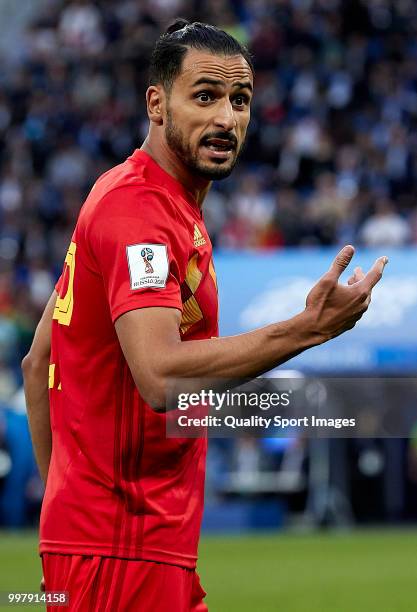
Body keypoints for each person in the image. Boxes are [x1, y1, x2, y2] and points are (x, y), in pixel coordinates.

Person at [22, 19, 387, 612]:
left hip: (122, 546)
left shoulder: (137, 198)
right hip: (124, 549)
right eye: (206, 96)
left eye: (239, 100)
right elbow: (163, 378)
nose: (227, 118)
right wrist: (308, 329)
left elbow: (39, 365)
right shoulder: (140, 213)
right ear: (157, 104)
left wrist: (65, 529)